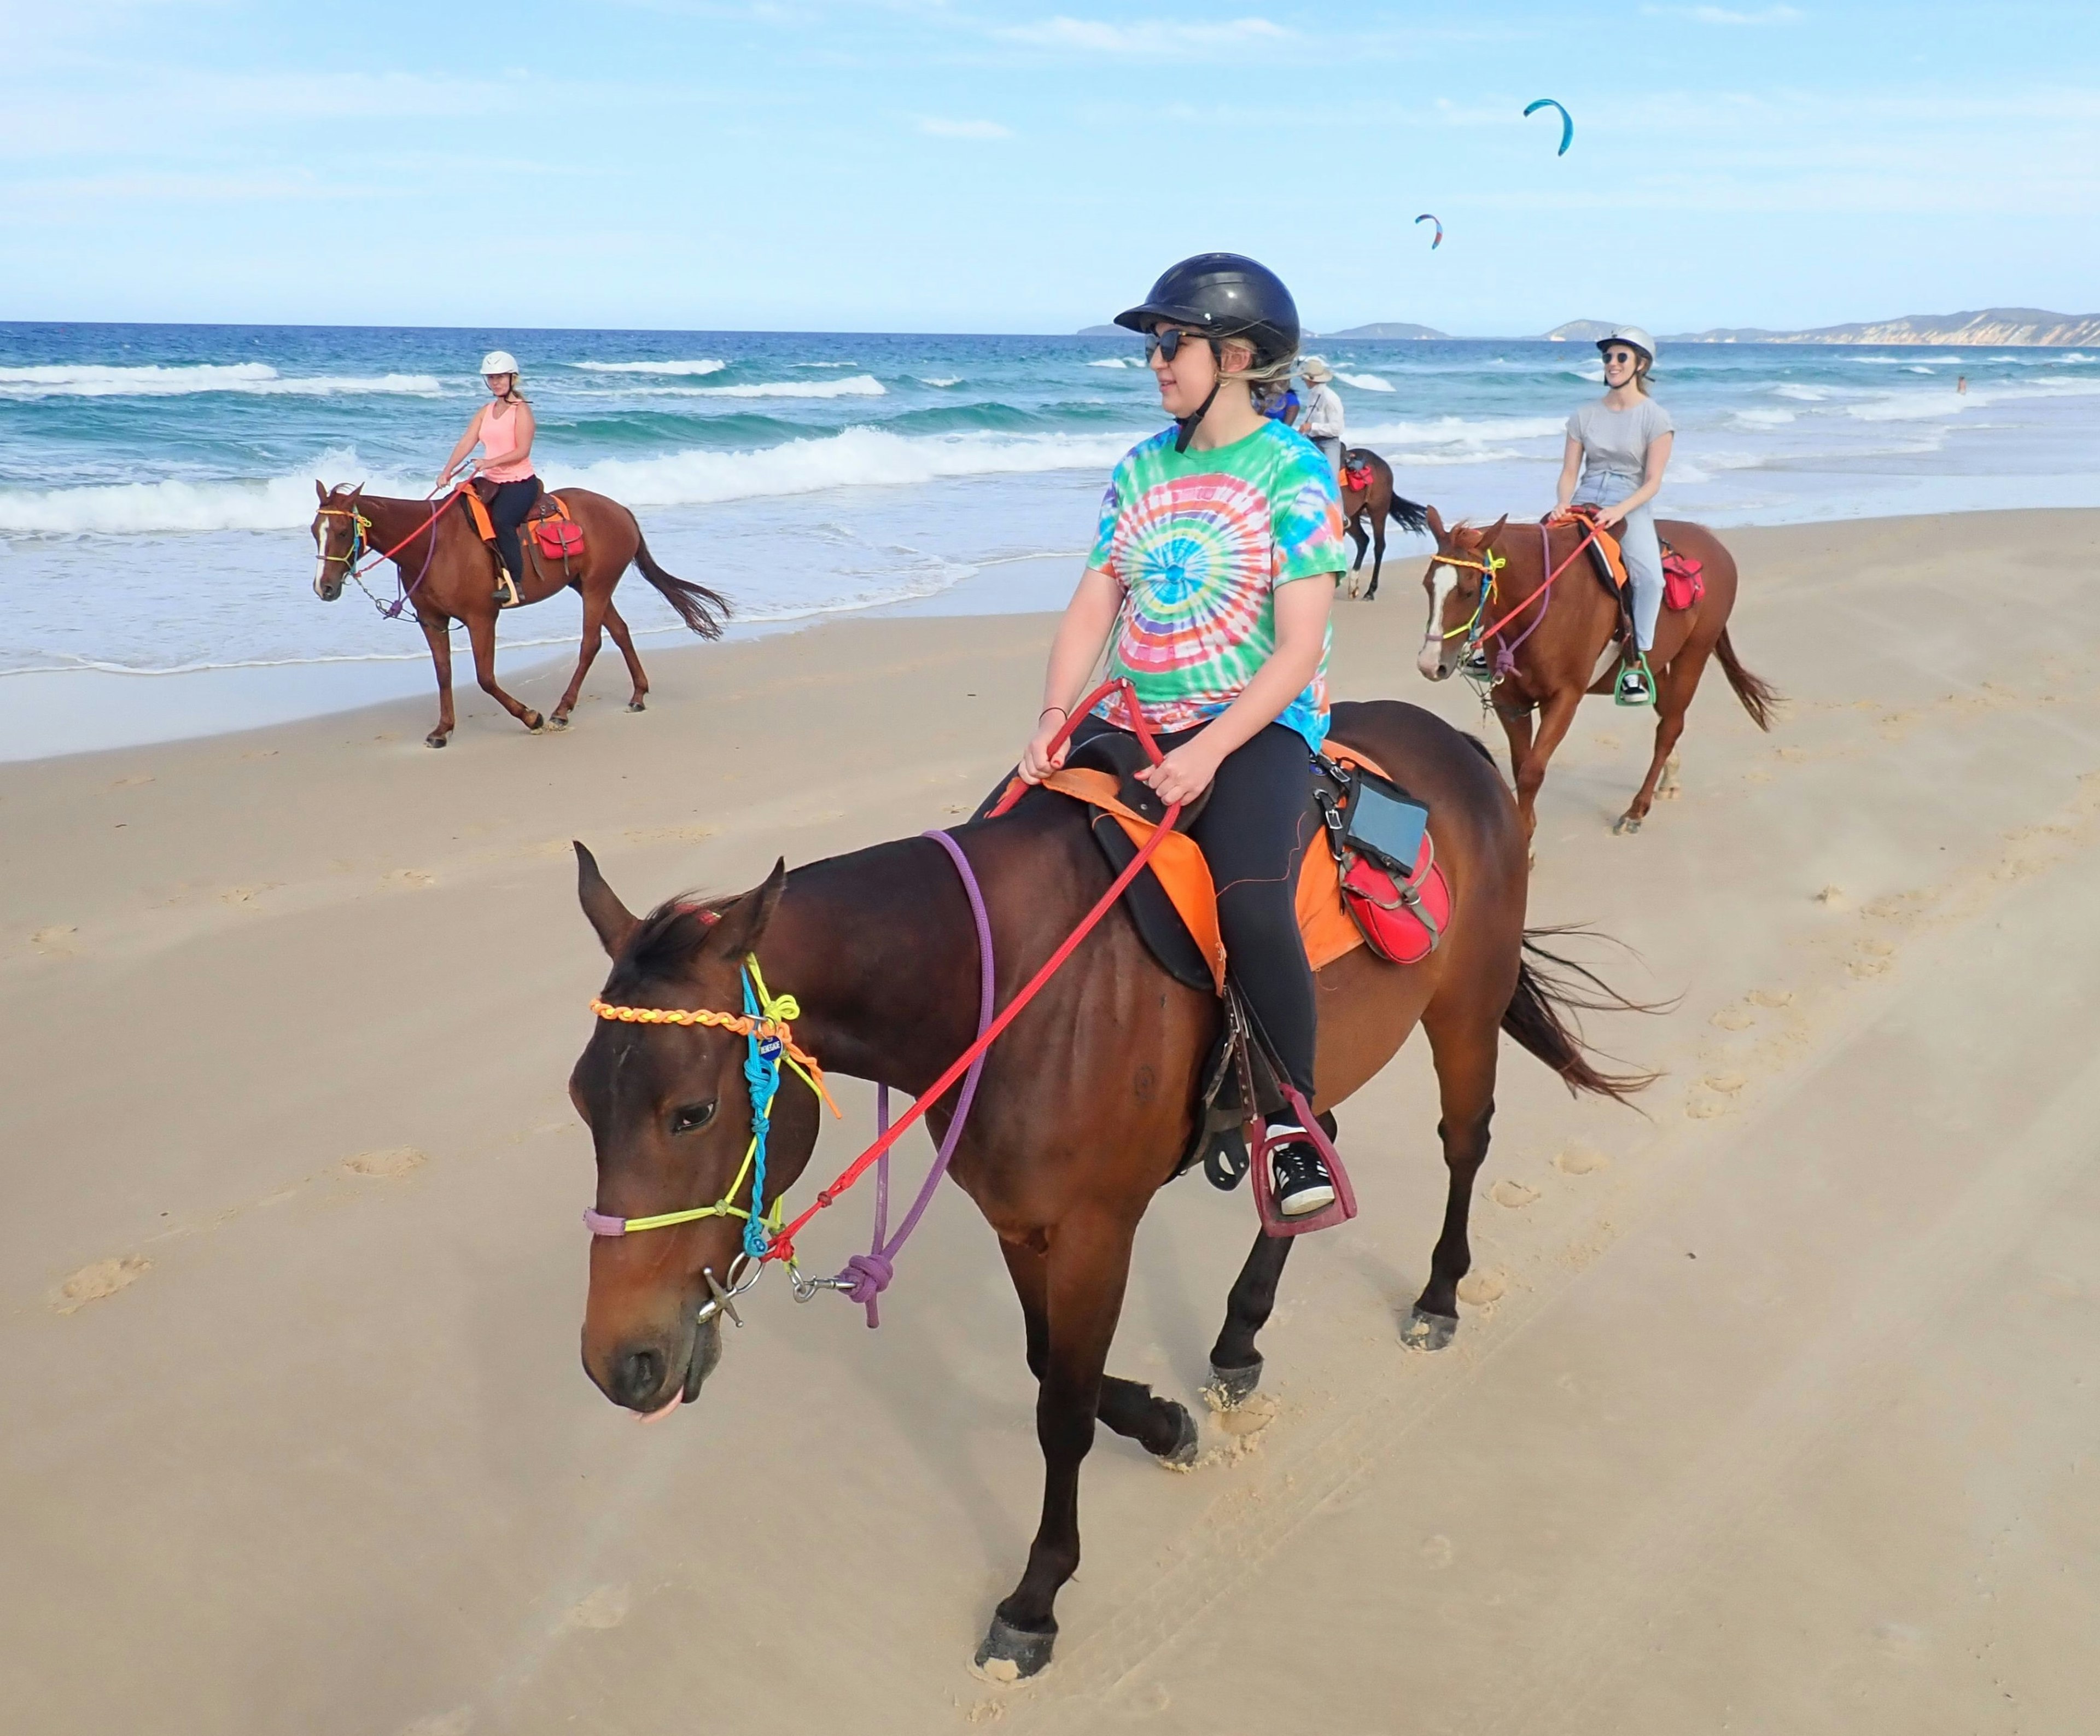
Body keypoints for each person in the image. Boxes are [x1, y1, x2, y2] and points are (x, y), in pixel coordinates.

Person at [1013, 253, 1348, 1218]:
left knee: (1250, 903)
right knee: (1006, 836)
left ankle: (1292, 1120)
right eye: (1155, 347)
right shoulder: (1140, 467)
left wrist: (1209, 751)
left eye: (1173, 344)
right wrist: (1050, 718)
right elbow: (1092, 603)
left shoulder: (1294, 471)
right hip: (1128, 719)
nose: (1157, 363)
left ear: (1236, 356)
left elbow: (1299, 648)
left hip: (1254, 727)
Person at [1555, 327, 1674, 704]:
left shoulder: (1656, 418)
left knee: (1650, 580)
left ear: (1640, 364)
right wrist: (1562, 502)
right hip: (1584, 498)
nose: (1612, 363)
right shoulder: (1584, 415)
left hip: (1629, 502)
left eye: (1621, 357)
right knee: (1535, 560)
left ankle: (1636, 662)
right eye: (1608, 357)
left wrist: (1619, 512)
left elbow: (1653, 481)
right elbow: (1570, 471)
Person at [438, 351, 540, 605]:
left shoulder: (522, 411)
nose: (496, 382)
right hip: (491, 481)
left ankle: (515, 583)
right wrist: (447, 470)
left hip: (519, 481)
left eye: (500, 377)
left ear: (512, 378)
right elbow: (468, 441)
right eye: (491, 378)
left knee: (503, 521)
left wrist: (489, 463)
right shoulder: (486, 410)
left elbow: (522, 451)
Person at [1297, 357, 1345, 477]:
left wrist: (1312, 427)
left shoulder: (1330, 398)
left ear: (1311, 380)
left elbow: (1337, 429)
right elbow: (1308, 419)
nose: (1304, 381)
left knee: (1331, 480)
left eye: (1305, 379)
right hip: (1311, 440)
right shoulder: (1312, 394)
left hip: (1329, 444)